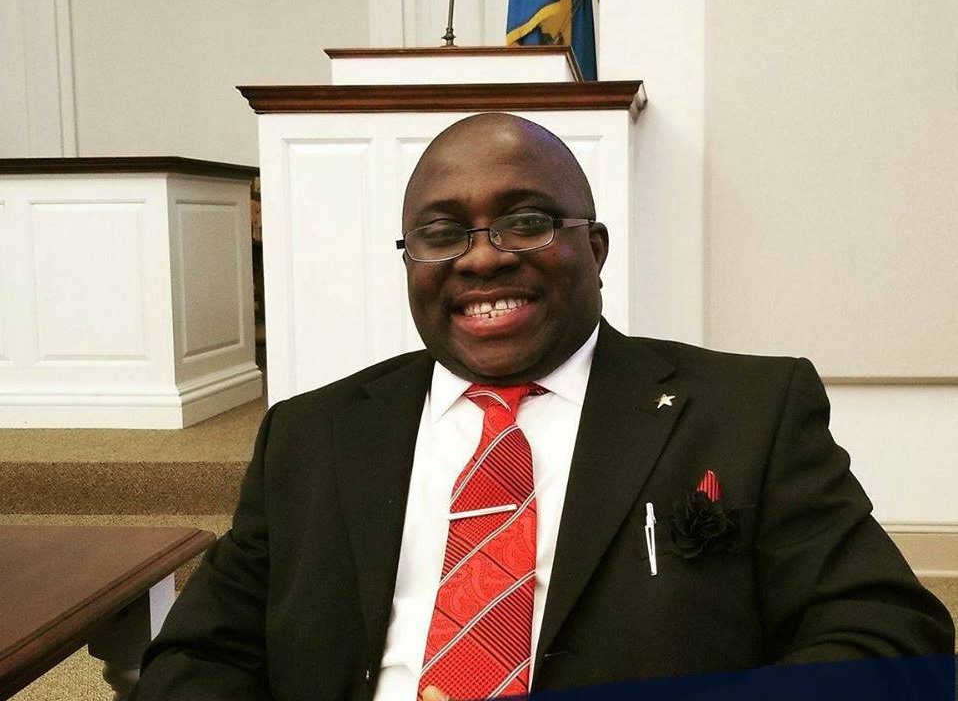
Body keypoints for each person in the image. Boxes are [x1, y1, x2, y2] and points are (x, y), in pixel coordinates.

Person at [131, 113, 953, 701]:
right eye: (442, 233)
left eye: (525, 221)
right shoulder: (311, 434)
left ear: (593, 248)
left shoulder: (748, 411)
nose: (482, 258)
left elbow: (887, 636)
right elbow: (200, 655)